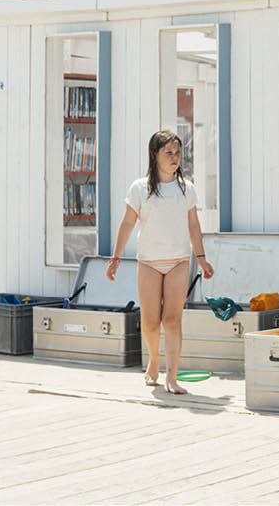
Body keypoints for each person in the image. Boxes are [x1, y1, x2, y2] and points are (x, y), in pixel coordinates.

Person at [107, 130, 215, 395]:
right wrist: (116, 256)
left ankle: (172, 377)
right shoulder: (139, 188)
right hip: (149, 263)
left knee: (173, 319)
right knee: (151, 321)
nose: (174, 157)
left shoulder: (186, 189)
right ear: (154, 155)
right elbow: (128, 223)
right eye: (168, 152)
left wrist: (201, 258)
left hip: (179, 260)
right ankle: (154, 360)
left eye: (178, 152)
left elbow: (193, 225)